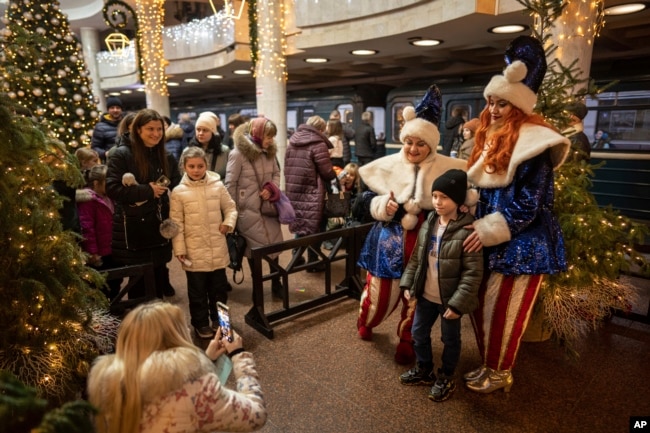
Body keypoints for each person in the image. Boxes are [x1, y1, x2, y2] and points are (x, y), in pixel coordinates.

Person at [462, 36, 570, 394]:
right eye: (490, 102)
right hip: (491, 238)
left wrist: (492, 227)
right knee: (485, 308)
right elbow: (485, 187)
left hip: (523, 243)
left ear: (518, 106)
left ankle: (501, 371)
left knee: (505, 312)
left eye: (502, 104)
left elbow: (530, 201)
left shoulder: (535, 144)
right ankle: (489, 365)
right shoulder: (492, 138)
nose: (493, 110)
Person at [355, 84, 467, 364]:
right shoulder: (385, 165)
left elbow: (466, 198)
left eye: (420, 143)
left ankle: (408, 340)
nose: (413, 148)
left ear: (430, 145)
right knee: (379, 299)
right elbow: (360, 204)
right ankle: (366, 321)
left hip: (425, 244)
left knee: (415, 299)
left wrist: (463, 205)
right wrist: (382, 206)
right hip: (387, 243)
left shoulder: (447, 168)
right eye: (409, 142)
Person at [86, 301, 267, 433]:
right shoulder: (195, 389)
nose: (188, 331)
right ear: (174, 338)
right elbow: (255, 416)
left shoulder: (108, 388)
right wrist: (238, 355)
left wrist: (205, 359)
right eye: (183, 328)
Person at [398, 169, 483, 402]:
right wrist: (408, 284)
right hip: (426, 295)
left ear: (457, 200)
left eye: (444, 197)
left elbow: (472, 273)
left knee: (450, 339)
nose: (437, 201)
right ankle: (424, 368)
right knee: (418, 332)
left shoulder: (468, 229)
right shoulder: (429, 223)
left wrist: (457, 304)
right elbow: (417, 258)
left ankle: (446, 375)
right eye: (435, 196)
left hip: (448, 300)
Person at [106, 108, 181, 299]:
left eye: (159, 129)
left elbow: (178, 185)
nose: (156, 134)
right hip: (133, 230)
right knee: (138, 288)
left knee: (157, 280)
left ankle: (159, 326)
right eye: (150, 129)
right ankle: (141, 328)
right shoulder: (121, 154)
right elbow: (112, 189)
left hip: (159, 227)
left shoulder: (166, 156)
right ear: (138, 130)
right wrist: (148, 190)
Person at [170, 147, 238, 339]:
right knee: (197, 292)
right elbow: (176, 224)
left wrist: (228, 223)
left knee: (219, 290)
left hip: (217, 247)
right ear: (184, 167)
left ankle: (221, 321)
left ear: (206, 165)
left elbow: (231, 208)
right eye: (191, 166)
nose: (196, 170)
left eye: (200, 166)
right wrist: (180, 249)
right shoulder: (178, 192)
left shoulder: (217, 186)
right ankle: (200, 323)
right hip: (193, 252)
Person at [225, 117, 284, 297]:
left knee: (274, 245)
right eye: (268, 136)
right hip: (247, 211)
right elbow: (230, 184)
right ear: (256, 133)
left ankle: (276, 282)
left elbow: (276, 173)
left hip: (268, 207)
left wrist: (270, 188)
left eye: (273, 136)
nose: (271, 140)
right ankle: (257, 286)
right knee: (254, 251)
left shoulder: (270, 152)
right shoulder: (237, 154)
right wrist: (233, 211)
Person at [284, 115, 337, 271]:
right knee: (317, 225)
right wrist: (336, 174)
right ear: (320, 129)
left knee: (301, 222)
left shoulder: (292, 142)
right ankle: (313, 263)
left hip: (294, 189)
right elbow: (327, 172)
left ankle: (296, 256)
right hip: (313, 192)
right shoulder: (318, 144)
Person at [77, 164, 121, 299]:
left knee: (116, 280)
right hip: (100, 252)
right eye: (108, 183)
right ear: (96, 183)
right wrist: (92, 252)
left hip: (113, 247)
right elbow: (87, 228)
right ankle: (106, 311)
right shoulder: (88, 201)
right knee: (102, 284)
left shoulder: (110, 197)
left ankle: (115, 306)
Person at [322, 162, 361, 250]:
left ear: (356, 177)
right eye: (346, 173)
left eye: (351, 175)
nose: (347, 177)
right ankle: (326, 239)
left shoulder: (356, 190)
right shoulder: (337, 186)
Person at [190, 111, 230, 180]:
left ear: (213, 132)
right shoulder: (189, 151)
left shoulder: (224, 151)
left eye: (205, 130)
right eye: (198, 129)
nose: (200, 133)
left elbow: (230, 175)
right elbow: (183, 175)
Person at [92, 96, 125, 162]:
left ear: (121, 110)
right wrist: (105, 153)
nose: (115, 110)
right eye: (112, 108)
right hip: (110, 162)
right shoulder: (100, 127)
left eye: (118, 108)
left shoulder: (127, 123)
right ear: (108, 110)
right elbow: (95, 147)